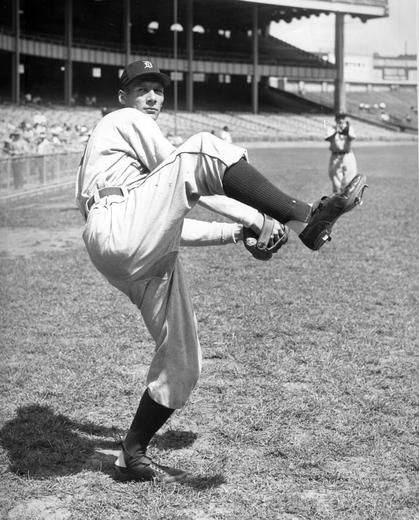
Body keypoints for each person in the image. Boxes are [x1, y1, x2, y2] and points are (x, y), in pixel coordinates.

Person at [76, 59, 367, 484]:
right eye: (142, 88)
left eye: (158, 89)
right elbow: (191, 166)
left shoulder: (137, 168)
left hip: (139, 248)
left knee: (183, 360)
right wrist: (260, 220)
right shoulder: (123, 119)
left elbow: (171, 222)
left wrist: (235, 232)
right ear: (123, 97)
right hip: (115, 222)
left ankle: (130, 453)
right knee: (203, 146)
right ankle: (306, 219)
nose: (152, 96)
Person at [325, 112, 358, 194]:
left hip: (347, 156)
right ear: (335, 119)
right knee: (336, 184)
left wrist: (345, 131)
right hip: (336, 156)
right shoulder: (331, 128)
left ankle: (346, 203)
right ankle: (336, 203)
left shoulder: (349, 128)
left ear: (345, 119)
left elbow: (352, 137)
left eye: (342, 118)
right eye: (339, 118)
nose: (341, 120)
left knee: (349, 182)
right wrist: (336, 131)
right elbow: (328, 138)